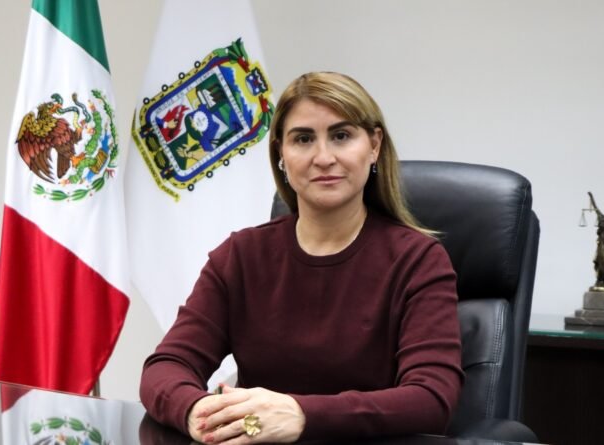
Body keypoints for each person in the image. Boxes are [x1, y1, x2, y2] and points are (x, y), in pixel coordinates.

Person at [140, 72, 463, 444]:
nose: (323, 158)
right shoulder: (241, 256)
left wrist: (302, 415)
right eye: (303, 139)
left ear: (374, 145)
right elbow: (167, 367)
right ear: (281, 153)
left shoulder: (418, 261)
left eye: (341, 136)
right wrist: (197, 411)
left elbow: (431, 398)